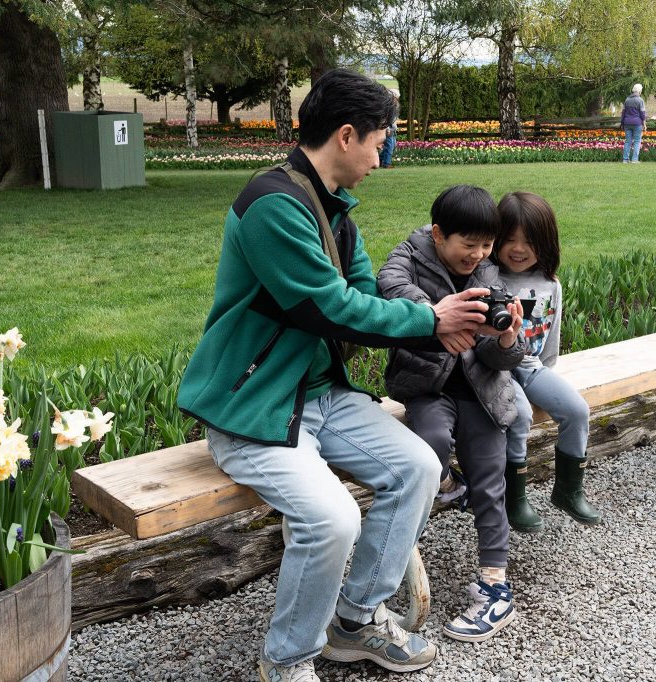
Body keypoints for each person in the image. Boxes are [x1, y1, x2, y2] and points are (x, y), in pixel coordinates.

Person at [177, 69, 495, 682]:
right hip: (257, 405)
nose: (381, 158)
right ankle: (287, 660)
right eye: (379, 142)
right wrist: (431, 319)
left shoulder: (336, 212)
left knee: (418, 467)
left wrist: (443, 322)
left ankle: (355, 620)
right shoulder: (272, 204)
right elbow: (327, 307)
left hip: (322, 397)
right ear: (346, 136)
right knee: (332, 519)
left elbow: (365, 297)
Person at [377, 184, 526, 643]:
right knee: (432, 444)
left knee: (490, 483)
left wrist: (507, 338)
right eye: (469, 244)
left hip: (484, 392)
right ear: (439, 234)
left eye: (487, 245)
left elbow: (505, 359)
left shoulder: (489, 271)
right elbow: (389, 285)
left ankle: (495, 587)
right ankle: (445, 485)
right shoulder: (410, 254)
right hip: (428, 388)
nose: (478, 255)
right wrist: (438, 315)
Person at [492, 192, 601, 533]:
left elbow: (551, 334)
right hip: (495, 368)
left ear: (546, 242)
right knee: (520, 414)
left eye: (529, 241)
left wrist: (546, 376)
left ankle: (569, 490)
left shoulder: (550, 284)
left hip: (531, 366)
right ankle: (514, 498)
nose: (518, 249)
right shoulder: (489, 279)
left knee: (577, 410)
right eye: (510, 239)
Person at [620, 83, 648, 163]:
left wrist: (622, 123)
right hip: (637, 123)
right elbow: (642, 113)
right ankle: (634, 160)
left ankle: (625, 159)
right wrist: (644, 124)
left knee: (628, 141)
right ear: (639, 91)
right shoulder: (640, 100)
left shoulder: (627, 100)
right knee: (637, 141)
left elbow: (623, 112)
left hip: (627, 123)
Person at [379, 89, 399, 168]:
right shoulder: (387, 107)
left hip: (392, 130)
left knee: (392, 146)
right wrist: (387, 129)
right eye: (395, 98)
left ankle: (380, 160)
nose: (396, 100)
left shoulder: (393, 107)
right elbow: (384, 119)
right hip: (388, 130)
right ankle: (386, 164)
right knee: (389, 146)